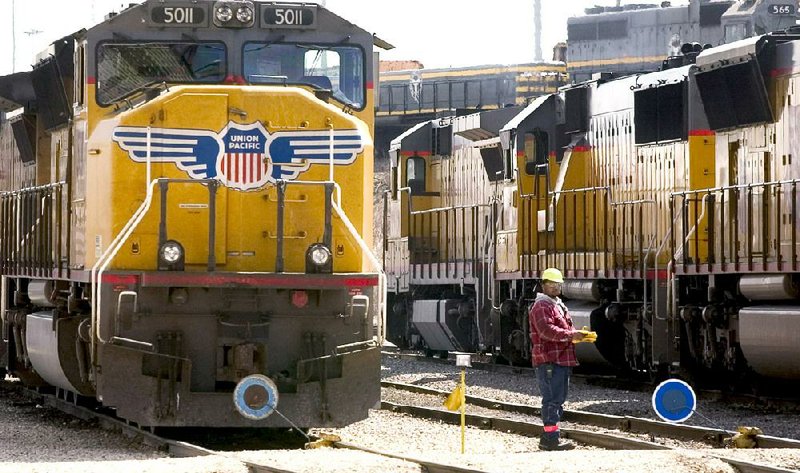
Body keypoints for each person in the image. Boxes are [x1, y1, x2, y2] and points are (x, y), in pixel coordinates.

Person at [528, 267, 586, 451]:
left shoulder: (557, 304)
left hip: (559, 359)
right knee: (552, 400)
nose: (555, 287)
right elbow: (546, 331)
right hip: (549, 360)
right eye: (551, 284)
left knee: (557, 399)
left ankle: (550, 437)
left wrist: (579, 335)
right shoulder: (541, 306)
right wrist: (571, 335)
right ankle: (550, 439)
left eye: (558, 284)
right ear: (543, 285)